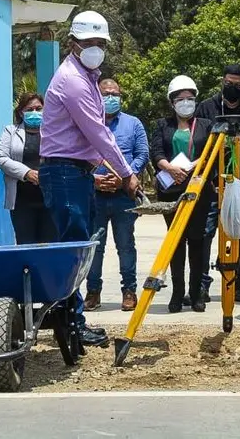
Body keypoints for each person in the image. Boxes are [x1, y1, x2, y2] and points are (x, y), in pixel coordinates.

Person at [40, 10, 140, 347]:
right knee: (74, 249)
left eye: (100, 43)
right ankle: (71, 321)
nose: (95, 48)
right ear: (72, 43)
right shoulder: (73, 81)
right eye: (89, 42)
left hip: (75, 172)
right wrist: (126, 173)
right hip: (65, 171)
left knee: (77, 247)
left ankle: (68, 317)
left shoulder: (88, 78)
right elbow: (99, 133)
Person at [194, 63, 240, 304]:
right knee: (205, 234)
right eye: (228, 83)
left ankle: (237, 281)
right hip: (214, 183)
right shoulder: (206, 107)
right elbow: (201, 146)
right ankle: (201, 283)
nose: (232, 88)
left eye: (238, 85)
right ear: (221, 81)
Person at [152, 75, 216, 313]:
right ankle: (177, 293)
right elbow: (156, 151)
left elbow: (212, 152)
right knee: (176, 242)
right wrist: (170, 167)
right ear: (172, 102)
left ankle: (197, 292)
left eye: (190, 98)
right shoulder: (162, 125)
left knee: (198, 242)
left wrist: (193, 166)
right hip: (171, 191)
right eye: (181, 99)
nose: (186, 102)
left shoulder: (206, 125)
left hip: (199, 189)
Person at [85, 78, 149, 312]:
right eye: (105, 94)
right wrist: (96, 180)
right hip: (95, 196)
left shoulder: (133, 124)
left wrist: (126, 176)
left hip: (124, 196)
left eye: (115, 94)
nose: (110, 98)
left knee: (126, 245)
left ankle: (129, 291)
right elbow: (80, 155)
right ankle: (93, 292)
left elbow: (142, 154)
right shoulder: (88, 123)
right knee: (94, 246)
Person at [0, 92, 57, 244]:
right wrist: (27, 173)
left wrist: (45, 174)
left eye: (39, 108)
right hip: (21, 201)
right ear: (21, 112)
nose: (34, 113)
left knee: (49, 245)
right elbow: (2, 158)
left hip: (50, 200)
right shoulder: (10, 131)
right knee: (26, 245)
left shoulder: (54, 133)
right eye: (29, 109)